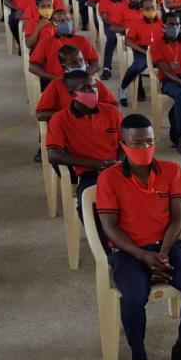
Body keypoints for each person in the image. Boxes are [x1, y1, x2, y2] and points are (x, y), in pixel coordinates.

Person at [97, 114, 181, 360]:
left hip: (166, 247)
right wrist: (142, 256)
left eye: (149, 140)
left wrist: (160, 254)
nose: (144, 146)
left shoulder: (171, 171)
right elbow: (109, 228)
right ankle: (139, 359)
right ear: (123, 144)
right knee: (134, 297)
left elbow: (176, 218)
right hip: (128, 252)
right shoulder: (109, 178)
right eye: (137, 142)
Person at [46, 70, 124, 248]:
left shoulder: (111, 112)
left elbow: (125, 143)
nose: (93, 91)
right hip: (91, 173)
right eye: (86, 88)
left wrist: (119, 163)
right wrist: (94, 164)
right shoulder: (60, 119)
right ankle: (107, 247)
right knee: (87, 203)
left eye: (94, 86)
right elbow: (53, 155)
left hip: (119, 168)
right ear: (73, 94)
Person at [152, 12, 181, 159]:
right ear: (164, 26)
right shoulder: (156, 45)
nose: (175, 27)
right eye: (171, 24)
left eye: (177, 24)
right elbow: (165, 69)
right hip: (168, 80)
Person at [28, 10, 100, 90]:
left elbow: (95, 64)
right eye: (61, 21)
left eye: (68, 19)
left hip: (81, 82)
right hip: (54, 82)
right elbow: (32, 67)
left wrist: (83, 76)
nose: (66, 22)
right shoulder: (45, 43)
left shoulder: (82, 40)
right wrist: (55, 79)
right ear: (54, 25)